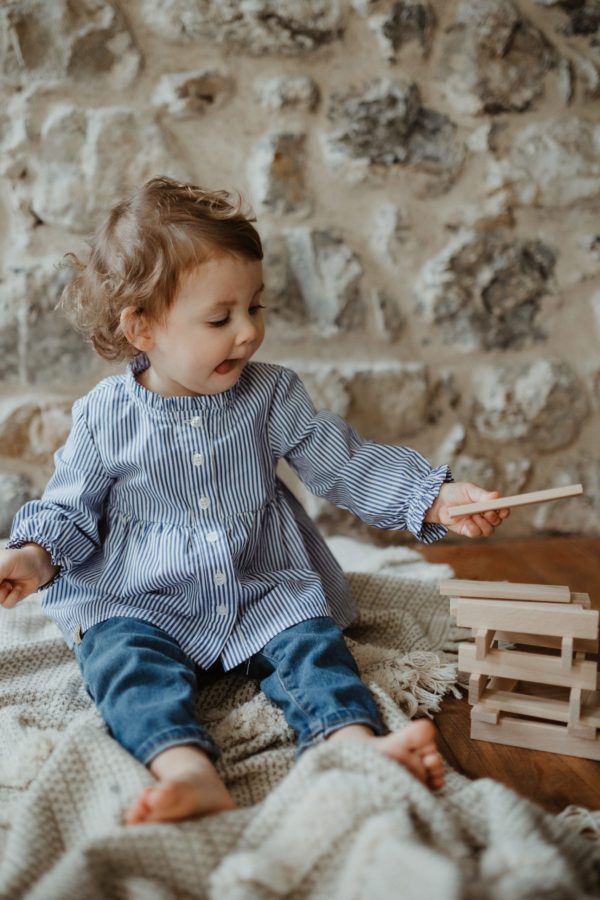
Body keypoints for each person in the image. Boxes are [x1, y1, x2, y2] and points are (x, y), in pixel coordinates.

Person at [0, 177, 509, 825]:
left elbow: (344, 462)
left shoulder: (272, 396)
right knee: (122, 665)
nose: (246, 333)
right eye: (220, 318)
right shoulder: (104, 415)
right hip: (139, 593)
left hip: (255, 579)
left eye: (255, 308)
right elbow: (69, 510)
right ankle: (186, 768)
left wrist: (433, 498)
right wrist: (32, 556)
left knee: (313, 645)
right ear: (142, 327)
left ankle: (355, 745)